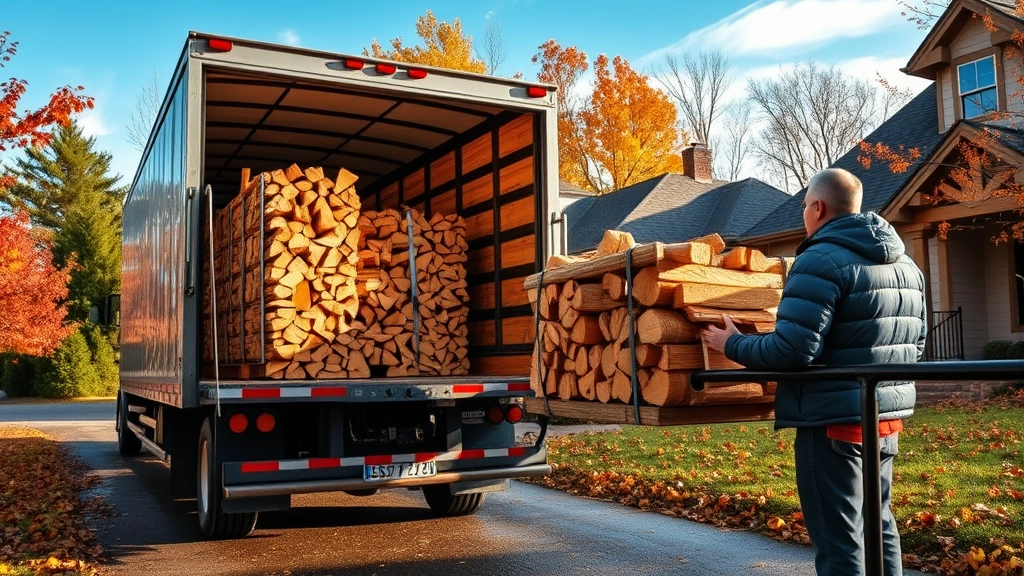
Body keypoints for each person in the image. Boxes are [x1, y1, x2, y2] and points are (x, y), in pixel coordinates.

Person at [703, 168, 927, 576]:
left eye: (805, 205)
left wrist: (731, 344)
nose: (805, 213)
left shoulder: (819, 259)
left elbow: (792, 349)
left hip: (832, 423)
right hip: (886, 420)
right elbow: (917, 346)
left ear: (817, 207)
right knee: (880, 526)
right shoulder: (907, 266)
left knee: (839, 540)